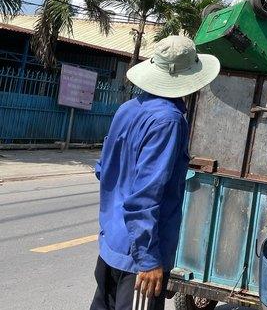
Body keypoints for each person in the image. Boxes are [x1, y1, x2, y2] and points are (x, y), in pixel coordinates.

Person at [90, 36, 220, 310]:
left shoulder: (128, 109)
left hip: (112, 246)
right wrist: (148, 260)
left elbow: (104, 170)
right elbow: (144, 198)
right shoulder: (169, 121)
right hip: (138, 261)